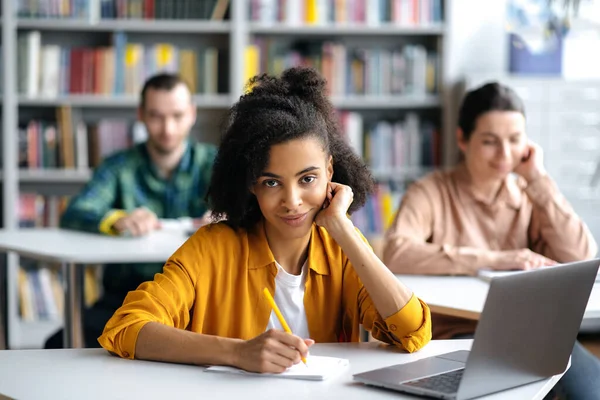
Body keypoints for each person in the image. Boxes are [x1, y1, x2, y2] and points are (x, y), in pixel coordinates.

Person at [98, 67, 432, 372]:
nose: (292, 201)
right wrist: (236, 353)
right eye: (272, 182)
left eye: (308, 179)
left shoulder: (341, 250)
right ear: (252, 184)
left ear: (330, 171)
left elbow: (412, 332)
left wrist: (344, 229)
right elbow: (126, 328)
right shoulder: (211, 248)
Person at [383, 82, 600, 399]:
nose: (505, 154)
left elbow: (581, 255)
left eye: (515, 140)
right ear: (462, 139)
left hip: (531, 332)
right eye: (490, 141)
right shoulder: (430, 192)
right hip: (456, 336)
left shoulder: (529, 195)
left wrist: (537, 179)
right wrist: (497, 258)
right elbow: (395, 252)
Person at [45, 73, 217, 349]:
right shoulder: (118, 166)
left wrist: (228, 218)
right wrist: (118, 219)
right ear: (141, 115)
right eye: (156, 116)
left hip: (196, 299)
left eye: (177, 116)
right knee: (57, 347)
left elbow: (253, 208)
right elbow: (76, 212)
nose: (168, 128)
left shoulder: (216, 164)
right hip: (125, 298)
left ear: (192, 114)